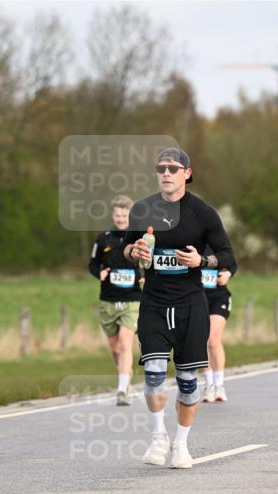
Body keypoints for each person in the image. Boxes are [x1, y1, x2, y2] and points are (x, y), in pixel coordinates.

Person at [124, 147, 234, 469]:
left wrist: (203, 260)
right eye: (161, 168)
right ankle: (158, 436)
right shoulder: (143, 209)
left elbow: (227, 255)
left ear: (187, 172)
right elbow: (127, 247)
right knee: (154, 376)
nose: (166, 173)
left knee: (188, 383)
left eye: (173, 168)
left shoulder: (203, 213)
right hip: (154, 302)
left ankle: (181, 444)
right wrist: (136, 252)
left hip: (190, 304)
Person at [89, 195, 141, 405]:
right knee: (114, 348)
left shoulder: (137, 237)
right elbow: (92, 264)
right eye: (117, 214)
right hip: (108, 299)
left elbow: (147, 261)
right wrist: (99, 273)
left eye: (124, 214)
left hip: (132, 299)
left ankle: (122, 390)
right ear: (113, 215)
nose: (120, 218)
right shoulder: (103, 239)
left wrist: (144, 276)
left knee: (125, 342)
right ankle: (124, 373)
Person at [201, 241, 237, 402]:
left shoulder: (216, 240)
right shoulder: (188, 239)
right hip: (196, 298)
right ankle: (209, 385)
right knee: (201, 341)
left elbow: (232, 263)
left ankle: (219, 384)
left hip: (218, 297)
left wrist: (227, 273)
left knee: (213, 339)